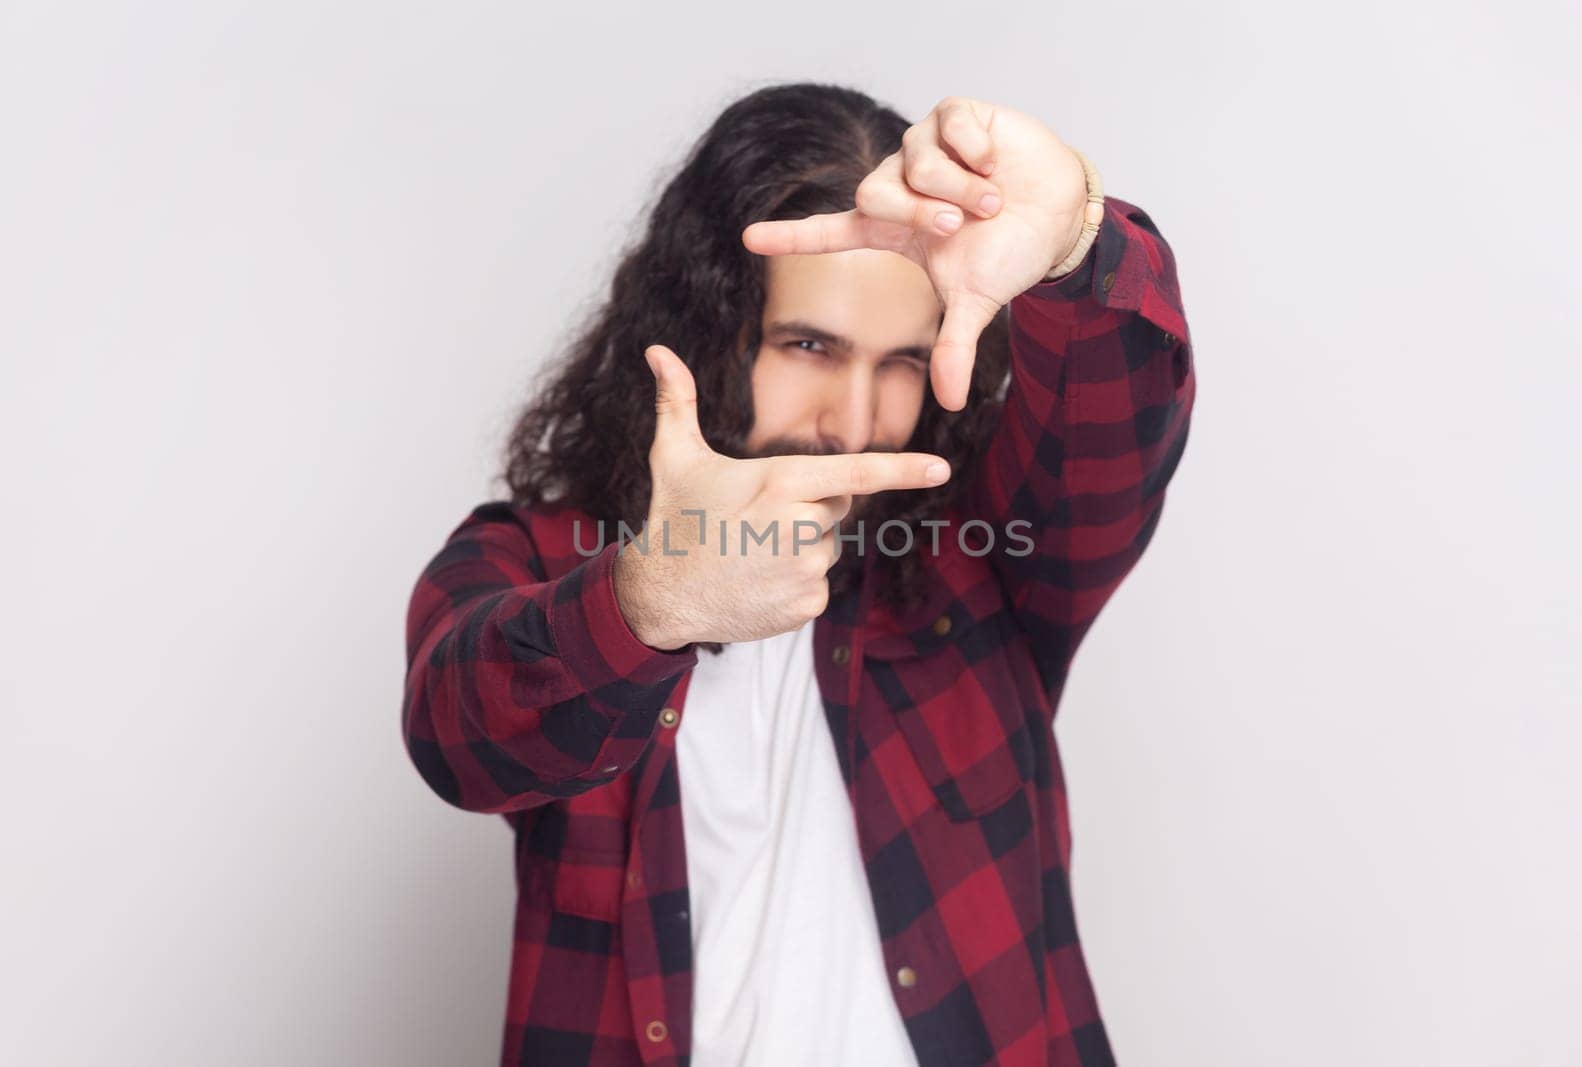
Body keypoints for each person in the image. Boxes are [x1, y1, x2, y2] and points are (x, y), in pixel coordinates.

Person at [402, 81, 1195, 1067]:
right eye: (808, 345)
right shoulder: (538, 559)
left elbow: (1116, 415)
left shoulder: (982, 561)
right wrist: (646, 602)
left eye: (902, 361)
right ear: (704, 328)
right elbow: (460, 736)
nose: (853, 424)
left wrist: (1075, 238)